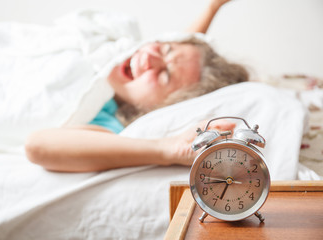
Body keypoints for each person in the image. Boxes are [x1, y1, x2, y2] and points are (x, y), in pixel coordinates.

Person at [25, 0, 245, 172]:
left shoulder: (108, 123)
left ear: (163, 106)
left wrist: (166, 149)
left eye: (164, 77)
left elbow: (38, 145)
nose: (149, 58)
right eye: (164, 49)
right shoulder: (114, 51)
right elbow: (183, 50)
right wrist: (213, 7)